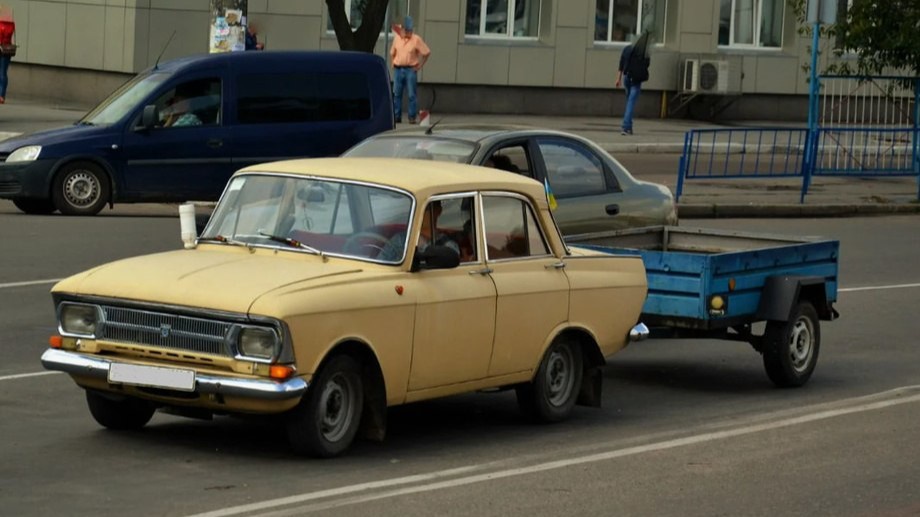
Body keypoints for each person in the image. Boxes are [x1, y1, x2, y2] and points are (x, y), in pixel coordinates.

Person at [378, 200, 459, 262]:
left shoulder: (447, 244)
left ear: (438, 210)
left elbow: (451, 263)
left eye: (425, 208)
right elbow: (381, 264)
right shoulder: (401, 239)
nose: (420, 213)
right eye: (416, 209)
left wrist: (424, 246)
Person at [389, 16, 430, 124]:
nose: (408, 33)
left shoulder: (416, 39)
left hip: (410, 69)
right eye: (406, 30)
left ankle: (412, 117)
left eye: (410, 30)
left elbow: (426, 52)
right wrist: (393, 63)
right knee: (396, 94)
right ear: (402, 29)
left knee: (412, 94)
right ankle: (396, 116)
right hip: (398, 69)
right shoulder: (397, 39)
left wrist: (419, 66)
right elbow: (392, 52)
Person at [615, 31, 651, 136]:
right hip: (636, 80)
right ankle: (626, 127)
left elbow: (621, 65)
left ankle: (629, 126)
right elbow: (647, 64)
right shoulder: (643, 52)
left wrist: (618, 79)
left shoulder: (626, 49)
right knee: (631, 103)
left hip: (626, 78)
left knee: (629, 102)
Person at [0, 9, 15, 105]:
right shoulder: (11, 25)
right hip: (7, 50)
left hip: (1, 49)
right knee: (3, 72)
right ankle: (2, 95)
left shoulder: (0, 24)